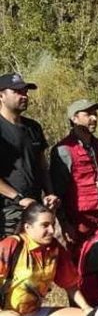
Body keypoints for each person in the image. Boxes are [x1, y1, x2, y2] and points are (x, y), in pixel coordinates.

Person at [50, 99, 98, 261]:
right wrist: (65, 225)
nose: (94, 118)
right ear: (74, 118)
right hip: (79, 221)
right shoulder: (63, 150)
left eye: (95, 113)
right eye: (88, 114)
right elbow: (57, 192)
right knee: (82, 265)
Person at [0, 73, 59, 237]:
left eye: (25, 92)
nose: (24, 96)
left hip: (36, 207)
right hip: (8, 210)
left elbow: (42, 166)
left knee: (37, 256)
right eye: (17, 92)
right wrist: (18, 198)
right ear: (1, 95)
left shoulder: (33, 127)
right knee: (10, 256)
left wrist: (49, 194)